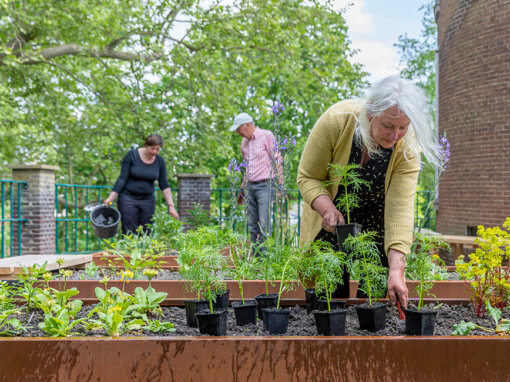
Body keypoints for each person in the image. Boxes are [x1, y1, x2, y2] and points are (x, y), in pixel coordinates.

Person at [297, 76, 444, 309]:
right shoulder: (337, 121)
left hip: (376, 222)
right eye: (388, 126)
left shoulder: (407, 148)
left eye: (402, 127)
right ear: (370, 115)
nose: (395, 135)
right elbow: (308, 176)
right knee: (330, 297)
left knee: (374, 300)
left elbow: (400, 209)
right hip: (333, 218)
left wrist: (397, 268)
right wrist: (327, 209)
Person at [104, 134, 179, 234]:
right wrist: (111, 198)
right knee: (129, 231)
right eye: (153, 149)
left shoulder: (160, 161)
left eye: (158, 149)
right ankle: (129, 249)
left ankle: (144, 250)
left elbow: (164, 184)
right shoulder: (131, 156)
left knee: (146, 231)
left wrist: (171, 205)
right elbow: (122, 178)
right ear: (145, 145)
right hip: (128, 198)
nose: (155, 152)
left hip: (147, 200)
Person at [230, 112, 281, 248]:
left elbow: (277, 159)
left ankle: (265, 261)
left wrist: (280, 185)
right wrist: (242, 189)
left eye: (238, 129)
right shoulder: (244, 143)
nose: (237, 132)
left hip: (265, 186)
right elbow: (247, 167)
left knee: (264, 224)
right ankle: (256, 258)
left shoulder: (266, 135)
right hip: (249, 188)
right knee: (252, 225)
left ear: (246, 125)